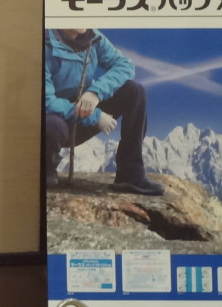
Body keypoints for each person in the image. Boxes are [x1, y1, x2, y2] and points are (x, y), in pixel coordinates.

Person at [43, 28, 163, 196]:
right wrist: (95, 116)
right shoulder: (44, 43)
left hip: (81, 116)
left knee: (134, 91)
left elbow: (125, 65)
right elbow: (46, 102)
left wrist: (95, 92)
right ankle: (46, 170)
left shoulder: (93, 38)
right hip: (54, 123)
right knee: (52, 125)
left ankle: (129, 175)